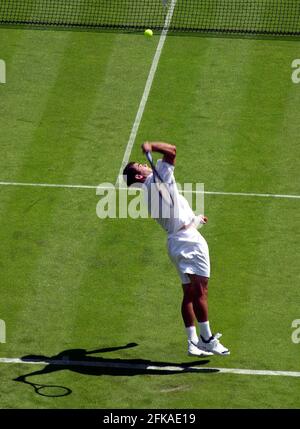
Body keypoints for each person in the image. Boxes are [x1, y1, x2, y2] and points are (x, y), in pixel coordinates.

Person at [123, 142, 229, 357]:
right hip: (189, 242)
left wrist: (196, 220)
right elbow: (171, 150)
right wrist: (152, 145)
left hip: (177, 240)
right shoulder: (156, 179)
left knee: (189, 294)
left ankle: (192, 342)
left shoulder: (149, 192)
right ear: (140, 177)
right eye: (142, 165)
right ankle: (207, 339)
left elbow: (176, 217)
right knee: (200, 291)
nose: (146, 165)